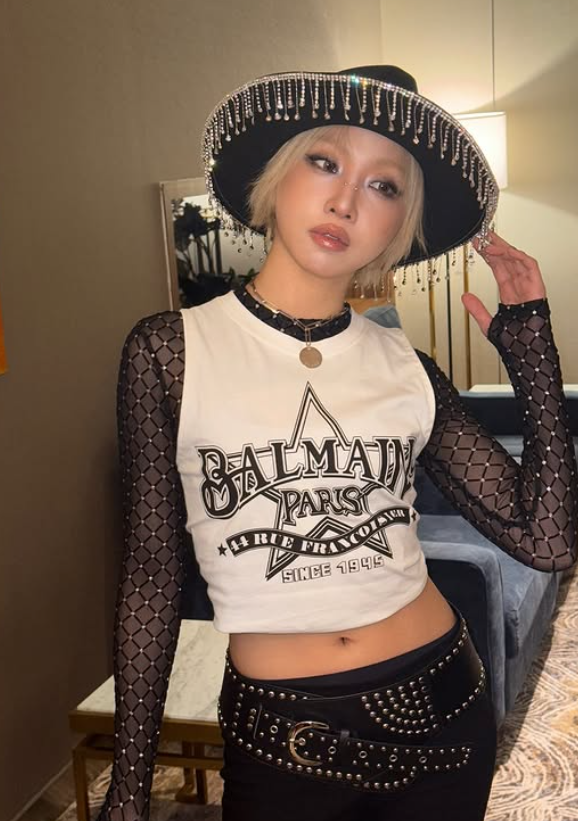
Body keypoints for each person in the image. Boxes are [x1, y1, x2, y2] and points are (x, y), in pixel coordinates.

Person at [97, 65, 577, 821]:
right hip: (280, 742)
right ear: (277, 176)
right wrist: (128, 788)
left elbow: (545, 541)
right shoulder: (169, 353)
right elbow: (153, 576)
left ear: (399, 224)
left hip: (443, 714)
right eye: (325, 162)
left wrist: (533, 358)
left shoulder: (409, 368)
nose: (346, 201)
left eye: (384, 186)